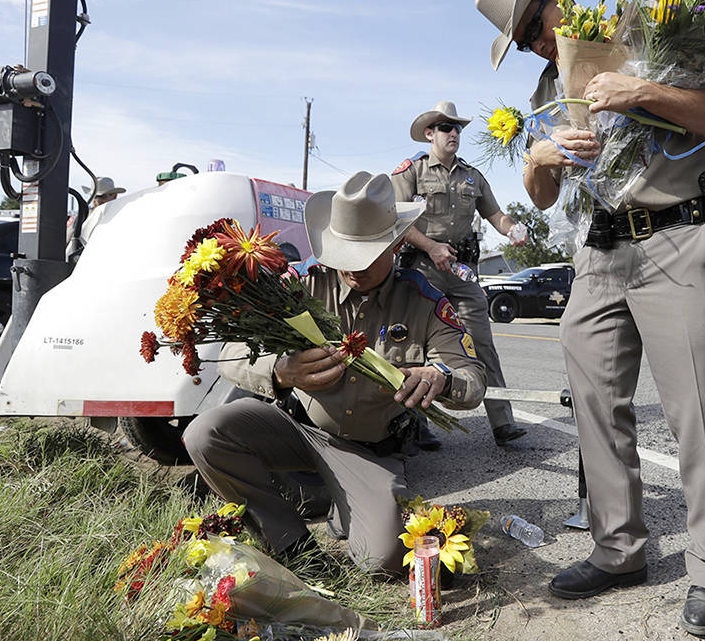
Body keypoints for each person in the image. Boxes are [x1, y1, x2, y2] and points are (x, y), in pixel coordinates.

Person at [477, 0, 705, 637]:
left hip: (675, 232)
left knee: (696, 404)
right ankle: (619, 545)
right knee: (593, 391)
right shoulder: (546, 90)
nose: (539, 45)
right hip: (599, 246)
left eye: (536, 28)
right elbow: (540, 198)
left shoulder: (646, 28)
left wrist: (640, 91)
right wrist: (538, 158)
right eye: (526, 40)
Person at [183, 172, 486, 572]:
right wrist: (280, 371)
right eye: (344, 255)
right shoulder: (301, 284)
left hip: (367, 450)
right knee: (205, 433)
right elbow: (233, 350)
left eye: (366, 256)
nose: (353, 270)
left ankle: (337, 498)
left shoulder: (424, 302)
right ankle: (291, 543)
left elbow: (472, 379)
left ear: (395, 245)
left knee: (383, 558)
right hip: (297, 428)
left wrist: (440, 377)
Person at [391, 100, 529, 447]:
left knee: (482, 342)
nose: (454, 133)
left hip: (461, 270)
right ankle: (416, 424)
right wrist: (431, 247)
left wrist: (513, 228)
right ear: (429, 133)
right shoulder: (411, 172)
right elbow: (397, 220)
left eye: (458, 129)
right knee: (414, 346)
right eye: (445, 128)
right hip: (422, 268)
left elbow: (496, 215)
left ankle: (502, 422)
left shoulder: (473, 176)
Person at [66, 175, 125, 259]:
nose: (97, 201)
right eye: (95, 196)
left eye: (102, 197)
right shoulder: (81, 216)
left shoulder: (121, 217)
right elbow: (66, 240)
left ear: (114, 196)